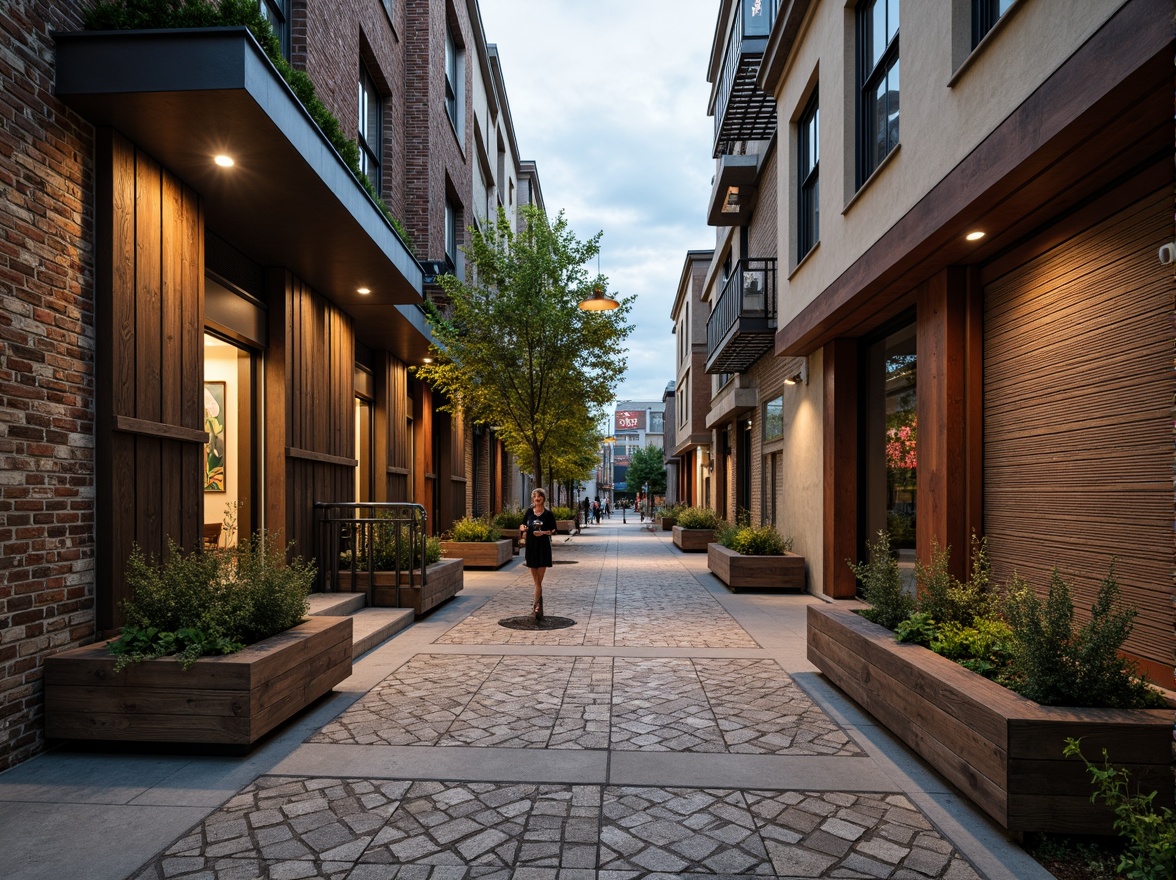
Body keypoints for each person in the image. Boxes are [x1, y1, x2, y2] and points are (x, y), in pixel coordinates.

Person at [521, 488, 557, 620]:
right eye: (535, 497)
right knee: (536, 580)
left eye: (539, 497)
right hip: (531, 547)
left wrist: (543, 533)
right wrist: (522, 528)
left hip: (543, 547)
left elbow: (553, 530)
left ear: (543, 499)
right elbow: (523, 524)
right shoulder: (529, 512)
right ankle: (538, 606)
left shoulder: (548, 514)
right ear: (532, 499)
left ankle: (536, 606)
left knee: (538, 581)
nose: (537, 499)